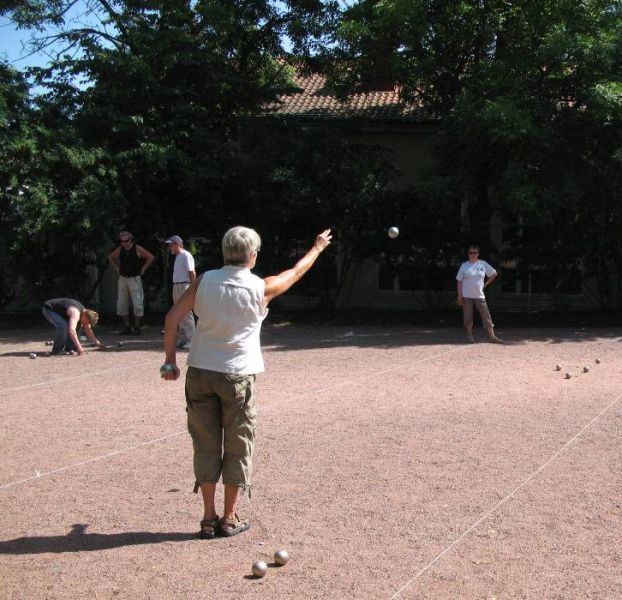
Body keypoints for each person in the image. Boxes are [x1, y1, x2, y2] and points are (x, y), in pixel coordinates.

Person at [161, 226, 332, 539]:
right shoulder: (259, 287)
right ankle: (229, 518)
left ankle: (207, 518)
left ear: (226, 252)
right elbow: (295, 273)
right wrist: (318, 248)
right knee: (239, 446)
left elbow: (172, 319)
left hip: (200, 371)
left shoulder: (204, 281)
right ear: (252, 255)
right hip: (238, 375)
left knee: (206, 444)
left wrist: (170, 361)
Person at [108, 231, 154, 335]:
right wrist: (117, 268)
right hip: (123, 278)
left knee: (137, 303)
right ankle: (127, 326)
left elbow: (150, 257)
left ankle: (137, 327)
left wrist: (143, 269)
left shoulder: (137, 248)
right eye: (122, 241)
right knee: (122, 303)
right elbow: (111, 257)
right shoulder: (120, 249)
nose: (124, 243)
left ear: (131, 240)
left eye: (126, 241)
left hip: (134, 278)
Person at [456, 245, 502, 343]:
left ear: (478, 254)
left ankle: (492, 337)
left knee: (486, 316)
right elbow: (459, 281)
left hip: (479, 295)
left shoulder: (483, 264)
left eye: (475, 253)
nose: (473, 255)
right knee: (468, 317)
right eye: (471, 253)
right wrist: (459, 296)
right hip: (466, 296)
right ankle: (470, 336)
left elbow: (494, 274)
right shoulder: (464, 265)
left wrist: (486, 284)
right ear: (468, 254)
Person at [42, 298, 107, 355]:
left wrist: (98, 343)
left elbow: (88, 330)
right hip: (49, 309)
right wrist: (79, 346)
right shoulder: (75, 313)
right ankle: (57, 350)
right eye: (86, 322)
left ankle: (70, 348)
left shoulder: (84, 314)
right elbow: (72, 331)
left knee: (79, 325)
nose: (86, 324)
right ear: (85, 315)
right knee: (64, 326)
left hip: (60, 312)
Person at [165, 235, 196, 350]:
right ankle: (183, 338)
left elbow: (191, 272)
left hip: (184, 285)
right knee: (178, 312)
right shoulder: (178, 256)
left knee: (186, 312)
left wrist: (193, 287)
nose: (170, 248)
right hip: (177, 285)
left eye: (171, 245)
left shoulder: (186, 255)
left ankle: (191, 339)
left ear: (177, 244)